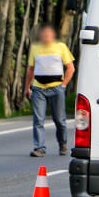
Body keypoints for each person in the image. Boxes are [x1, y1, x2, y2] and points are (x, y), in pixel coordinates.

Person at [24, 24, 75, 157]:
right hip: (38, 88)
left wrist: (63, 85)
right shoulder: (35, 48)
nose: (46, 37)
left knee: (59, 120)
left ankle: (63, 144)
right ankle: (40, 148)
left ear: (53, 36)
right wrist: (27, 87)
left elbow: (70, 68)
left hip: (56, 87)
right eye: (43, 34)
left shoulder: (61, 47)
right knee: (38, 120)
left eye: (48, 34)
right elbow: (30, 69)